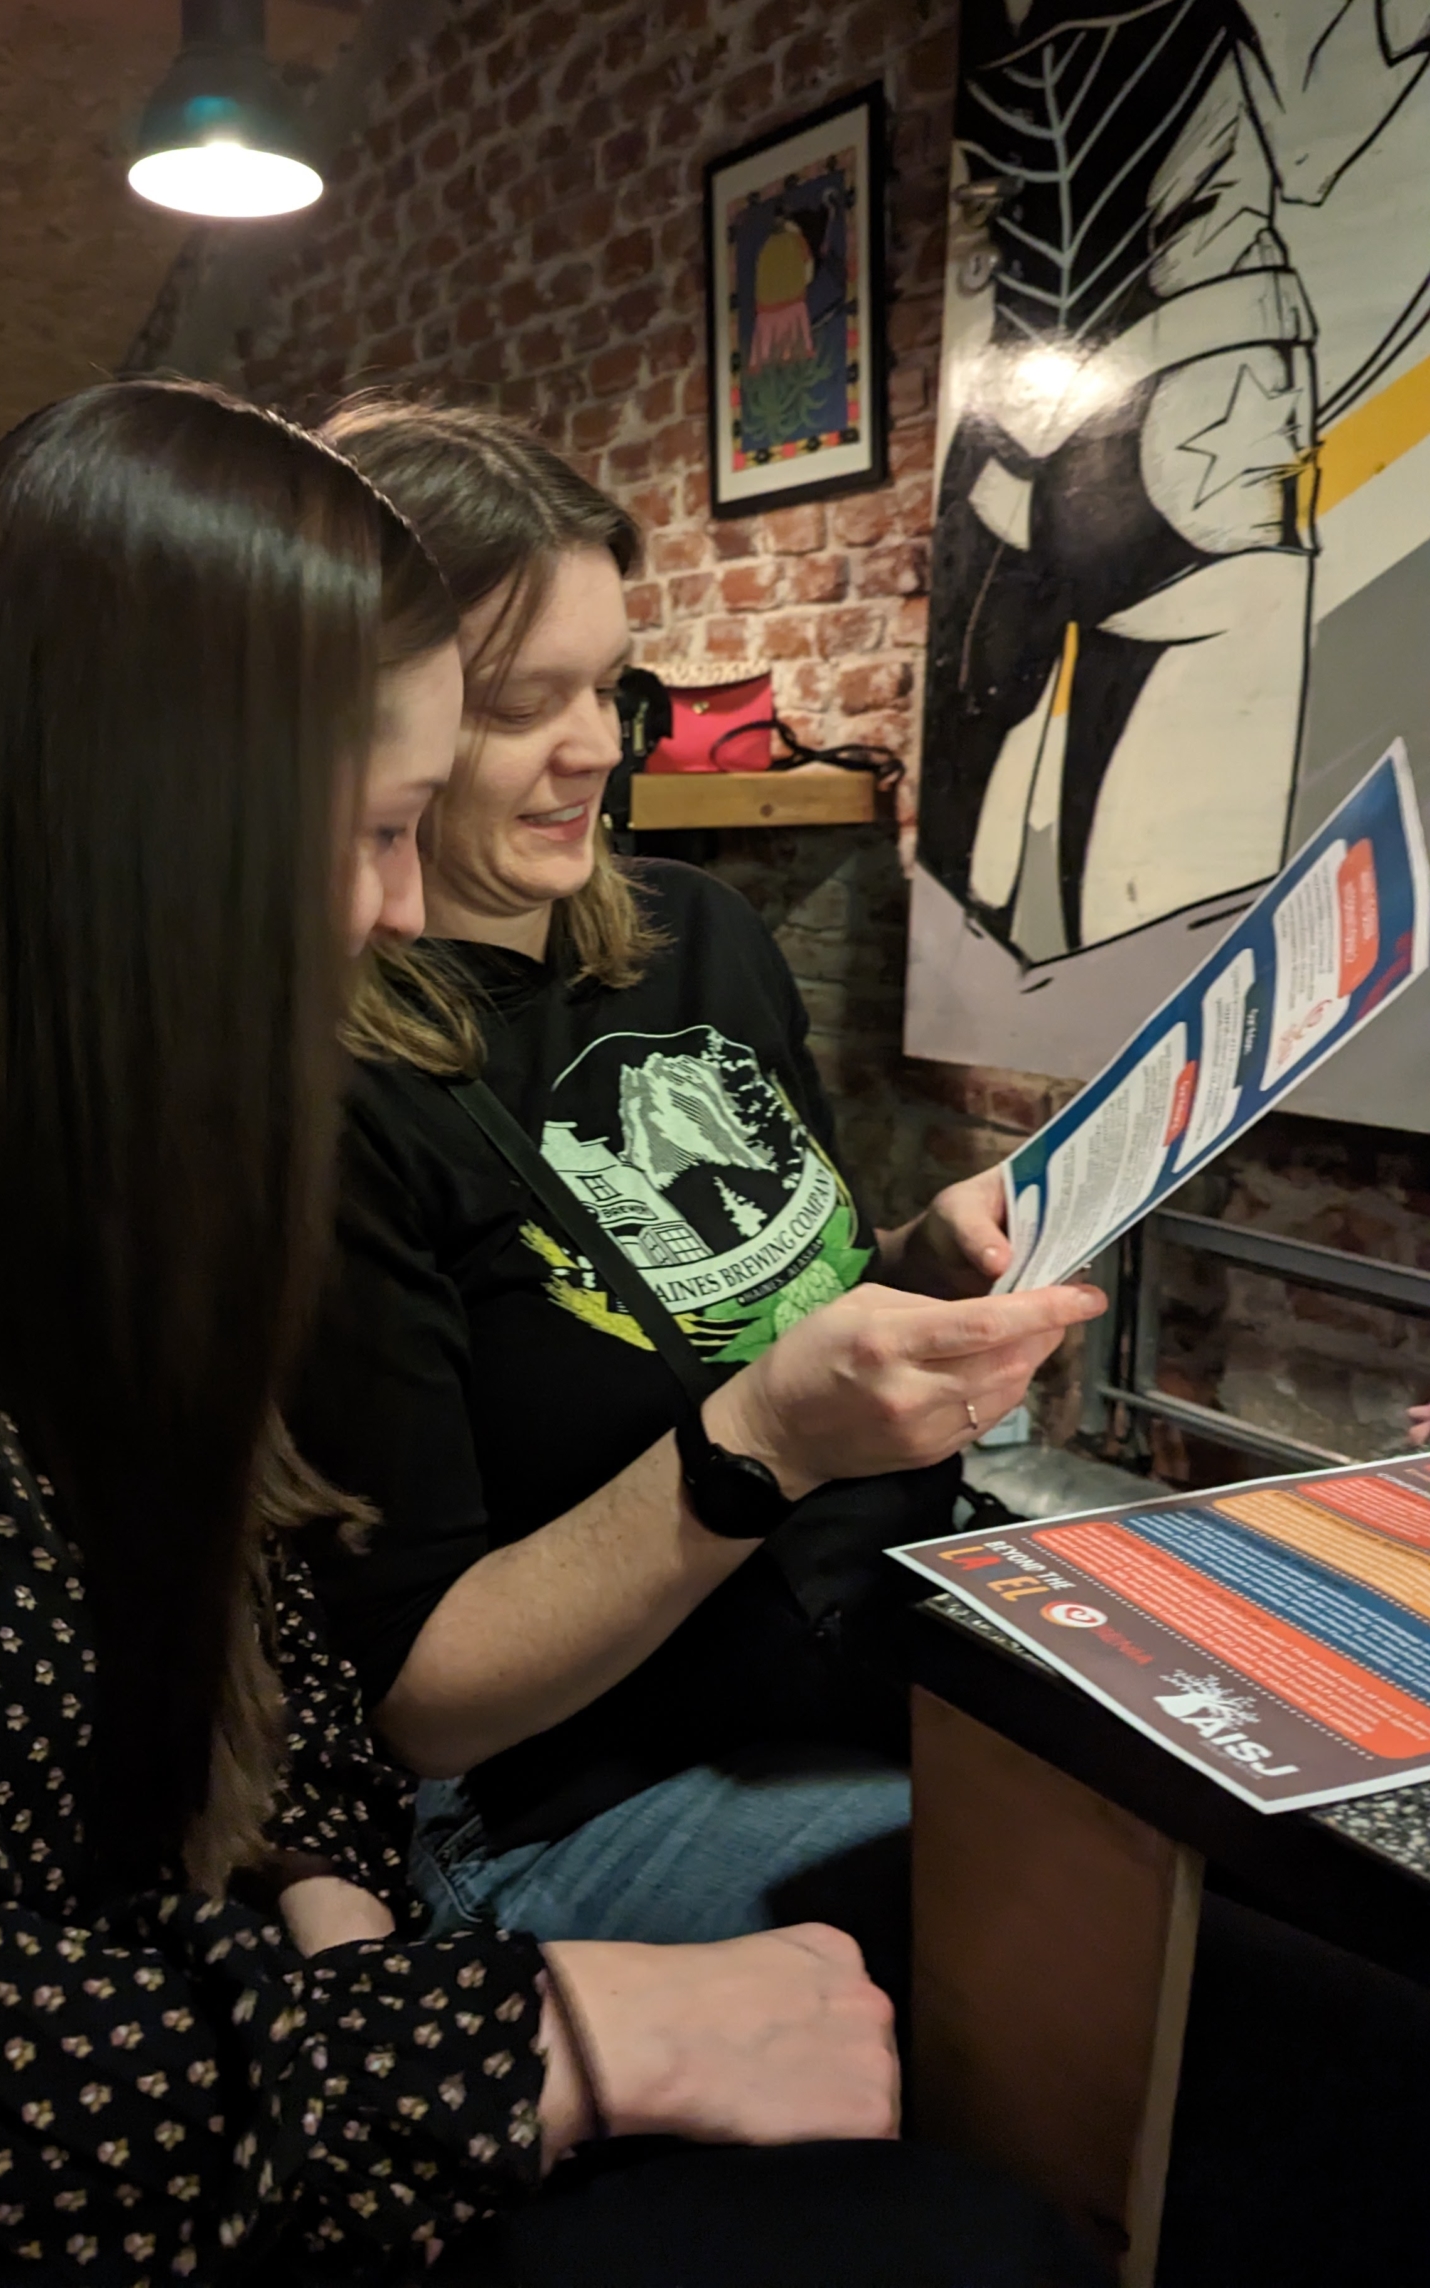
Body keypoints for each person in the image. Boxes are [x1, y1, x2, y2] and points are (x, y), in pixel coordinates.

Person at [0, 378, 1102, 2288]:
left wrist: (350, 1934)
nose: (402, 911)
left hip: (233, 2079)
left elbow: (275, 1669)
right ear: (143, 803)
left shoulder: (96, 1136)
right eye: (373, 831)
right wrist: (547, 2044)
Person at [291, 398, 1104, 1950]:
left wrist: (914, 1266)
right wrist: (763, 1444)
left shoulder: (694, 933)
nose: (599, 746)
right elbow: (426, 1705)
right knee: (1142, 1941)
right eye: (518, 703)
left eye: (612, 684)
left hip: (884, 1620)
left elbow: (752, 1294)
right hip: (581, 1784)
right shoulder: (329, 1100)